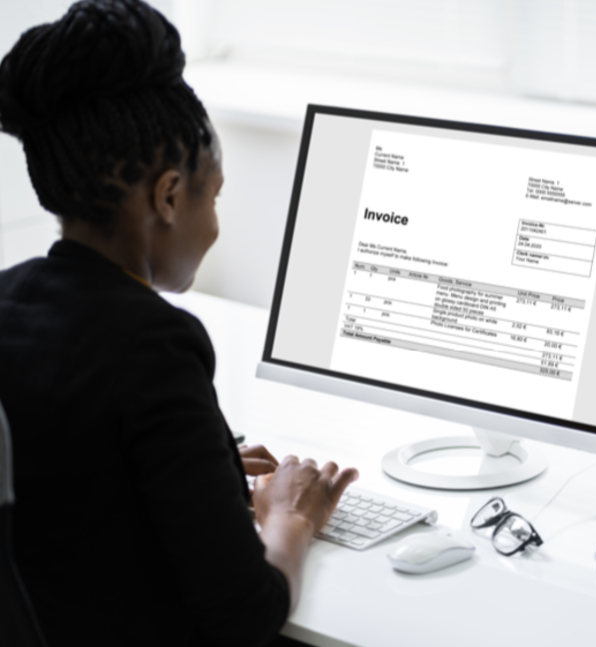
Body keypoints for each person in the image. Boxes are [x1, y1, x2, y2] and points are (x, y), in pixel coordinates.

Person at [0, 1, 358, 645]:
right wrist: (291, 517)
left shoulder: (8, 299)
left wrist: (200, 464)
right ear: (167, 196)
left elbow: (68, 468)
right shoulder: (152, 343)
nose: (215, 224)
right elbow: (245, 611)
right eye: (212, 195)